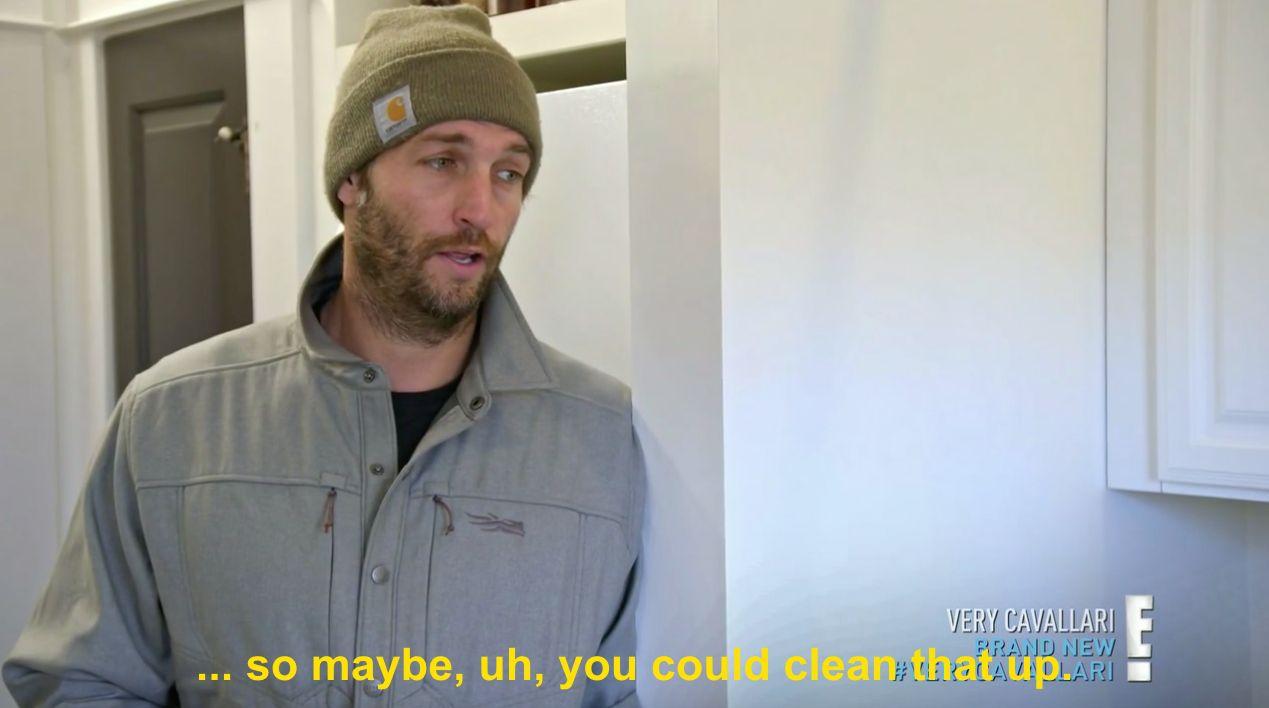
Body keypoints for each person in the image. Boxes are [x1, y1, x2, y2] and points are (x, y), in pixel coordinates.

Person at [2, 3, 645, 706]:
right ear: (351, 181)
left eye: (509, 173)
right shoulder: (170, 419)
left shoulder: (606, 438)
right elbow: (80, 682)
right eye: (443, 160)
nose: (480, 209)